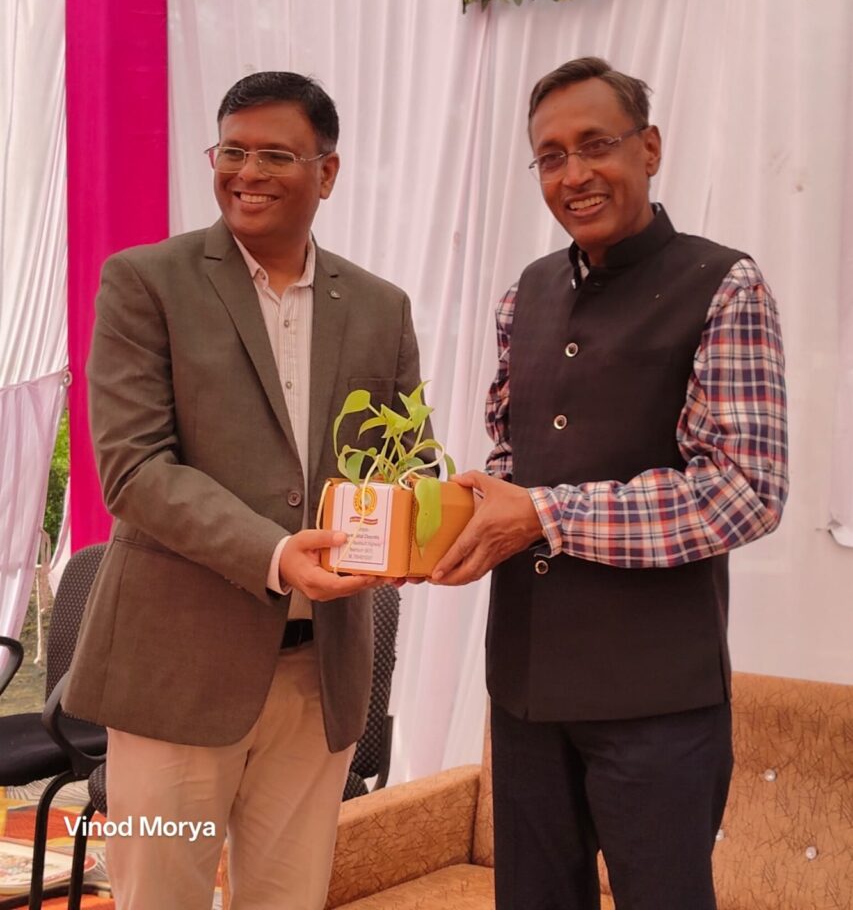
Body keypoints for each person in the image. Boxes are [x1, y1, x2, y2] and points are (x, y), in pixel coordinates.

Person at [432, 57, 788, 910]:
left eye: (596, 145)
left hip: (656, 701)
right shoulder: (524, 294)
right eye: (550, 156)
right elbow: (514, 459)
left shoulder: (723, 284)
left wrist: (541, 515)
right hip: (523, 688)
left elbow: (744, 489)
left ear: (649, 148)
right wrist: (451, 523)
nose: (573, 174)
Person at [64, 72, 425, 910]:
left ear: (326, 172)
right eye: (232, 151)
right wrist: (275, 553)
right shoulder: (145, 281)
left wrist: (424, 524)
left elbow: (399, 460)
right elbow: (133, 468)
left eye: (275, 155)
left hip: (318, 679)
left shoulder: (379, 307)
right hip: (173, 676)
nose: (247, 172)